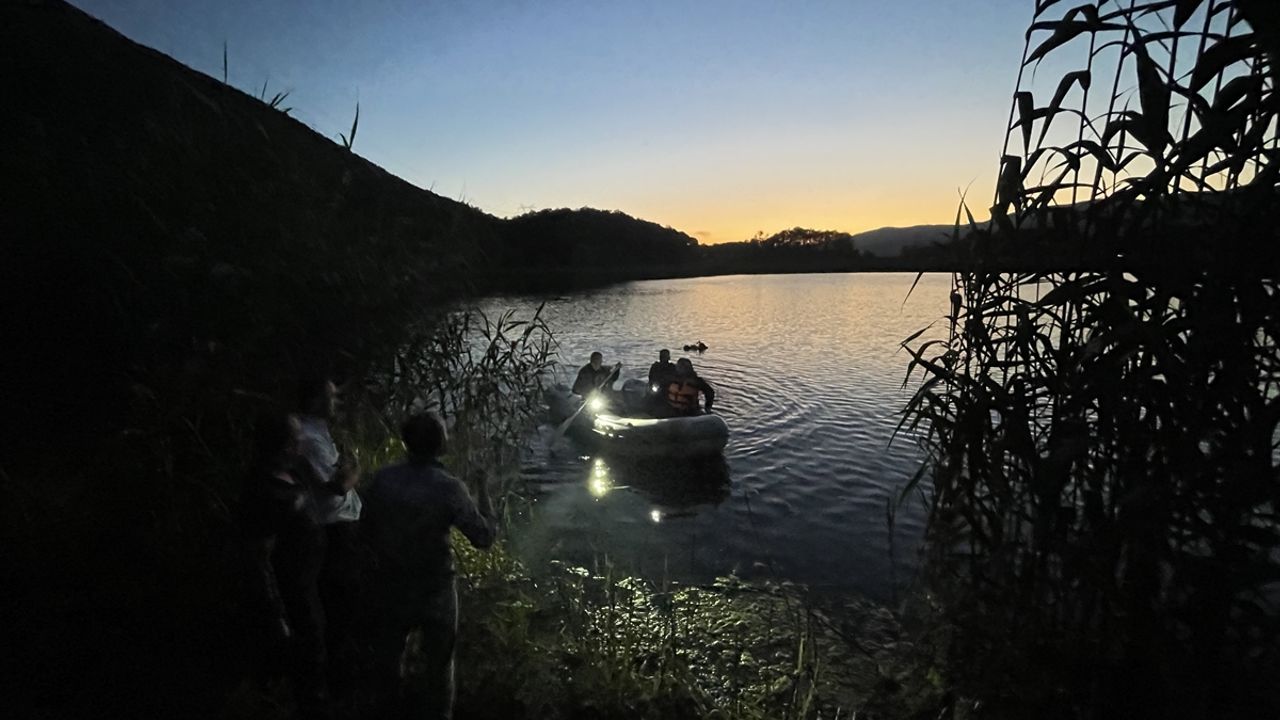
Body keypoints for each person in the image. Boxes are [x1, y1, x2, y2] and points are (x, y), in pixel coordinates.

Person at [362, 413, 497, 720]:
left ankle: (388, 710)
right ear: (441, 444)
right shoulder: (448, 487)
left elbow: (365, 529)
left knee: (388, 660)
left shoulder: (383, 479)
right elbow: (483, 537)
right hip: (435, 589)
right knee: (439, 667)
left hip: (391, 583)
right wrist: (483, 490)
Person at [241, 412, 330, 719]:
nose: (301, 443)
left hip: (306, 588)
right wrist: (277, 614)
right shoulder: (263, 490)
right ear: (283, 445)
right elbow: (258, 557)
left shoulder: (291, 474)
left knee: (314, 660)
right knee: (303, 669)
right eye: (296, 438)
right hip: (290, 598)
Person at [292, 375, 361, 698]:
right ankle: (332, 685)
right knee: (339, 605)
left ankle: (335, 679)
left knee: (341, 604)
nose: (337, 402)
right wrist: (354, 468)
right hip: (333, 530)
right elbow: (336, 486)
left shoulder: (316, 430)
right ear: (315, 401)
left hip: (338, 528)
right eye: (331, 397)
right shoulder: (309, 437)